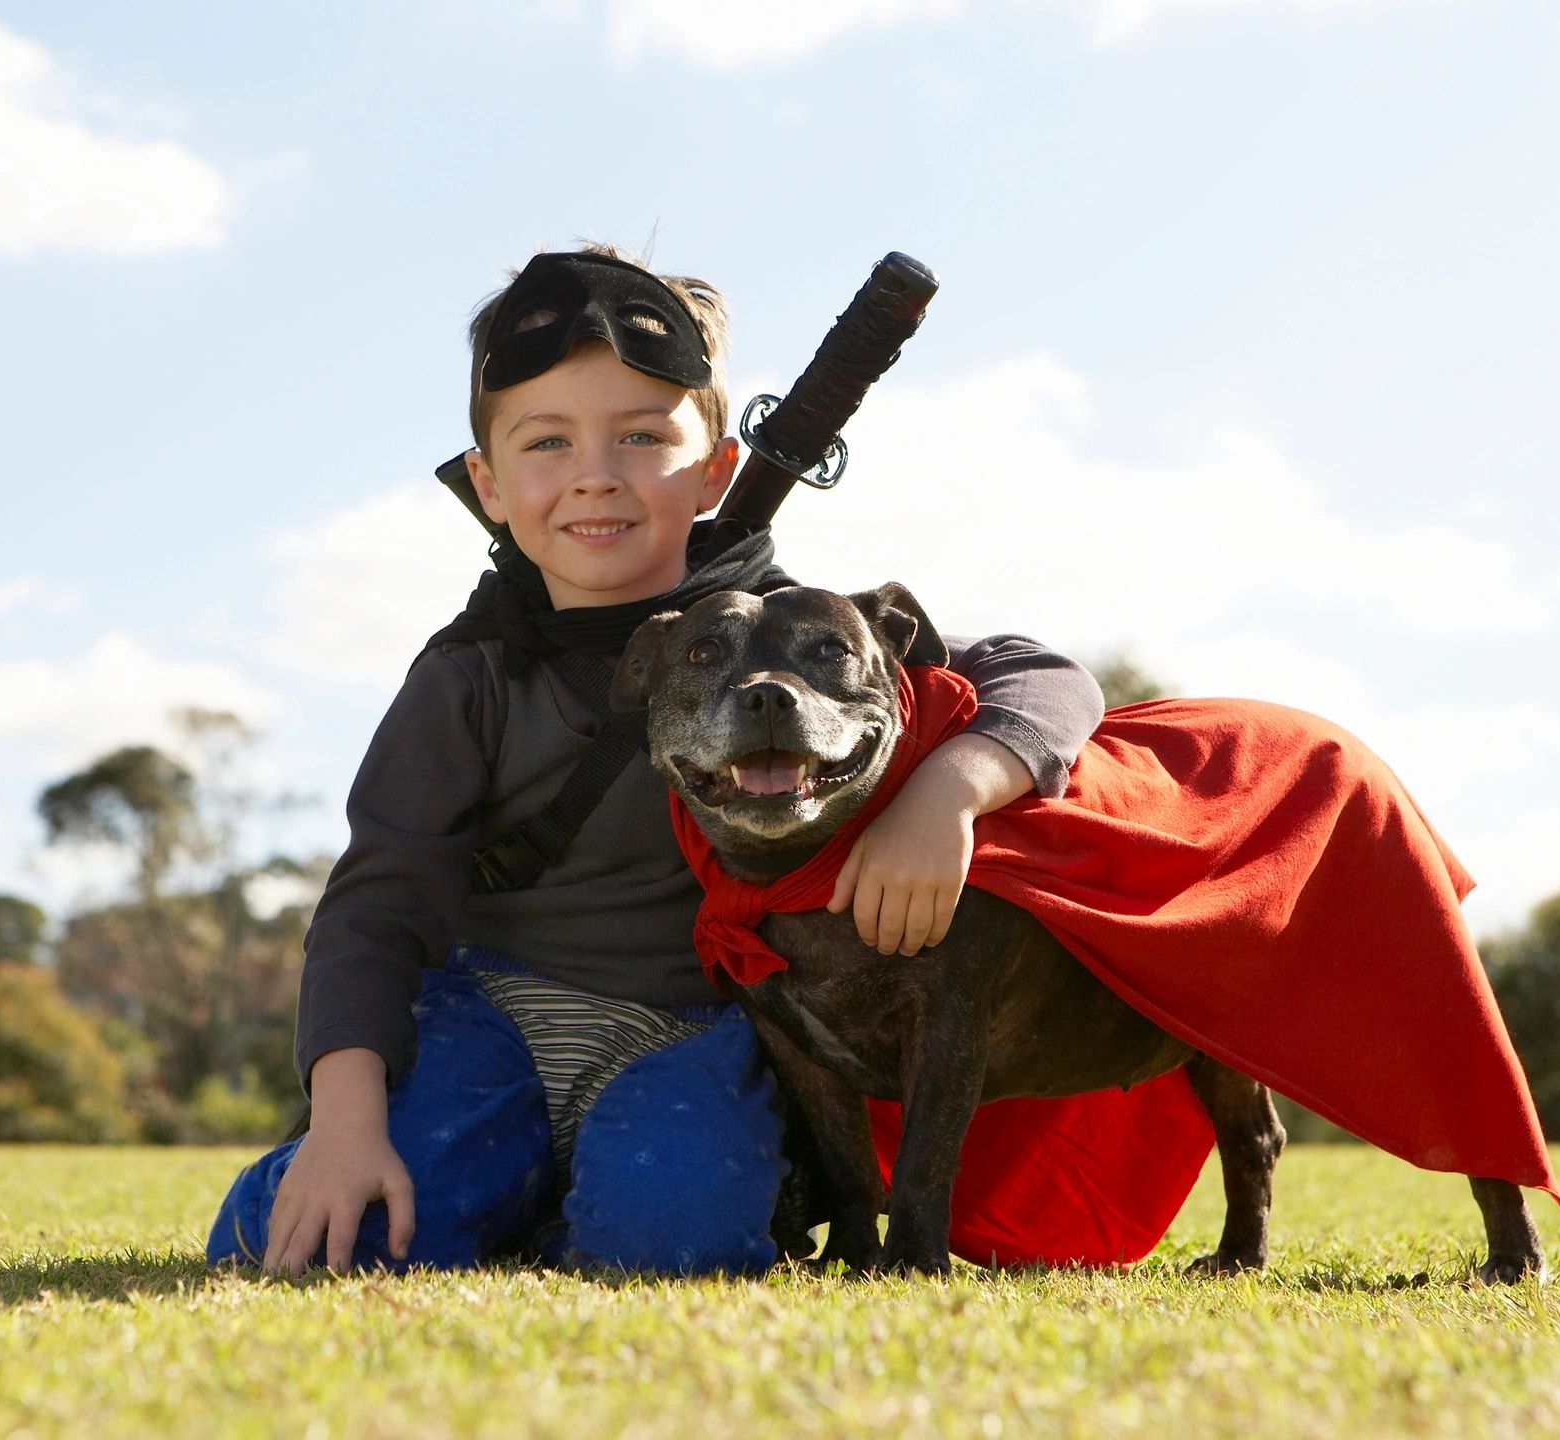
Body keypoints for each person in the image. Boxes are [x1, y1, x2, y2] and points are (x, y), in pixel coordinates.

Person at [206, 246, 1104, 1276]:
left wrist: (951, 789)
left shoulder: (811, 634)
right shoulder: (470, 675)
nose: (597, 473)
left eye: (643, 436)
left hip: (697, 1030)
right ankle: (398, 1173)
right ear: (488, 485)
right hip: (490, 1007)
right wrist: (346, 1129)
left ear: (716, 468)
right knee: (360, 1235)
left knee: (674, 1243)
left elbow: (1045, 678)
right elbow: (374, 909)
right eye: (549, 442)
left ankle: (561, 1202)